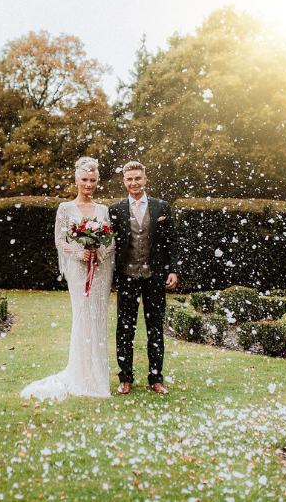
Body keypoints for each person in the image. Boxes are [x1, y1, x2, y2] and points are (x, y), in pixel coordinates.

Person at [20, 157, 115, 401]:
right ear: (76, 179)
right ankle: (81, 375)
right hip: (77, 269)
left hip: (100, 270)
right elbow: (60, 241)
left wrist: (97, 252)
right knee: (83, 316)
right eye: (84, 179)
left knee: (99, 317)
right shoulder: (65, 208)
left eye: (93, 180)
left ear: (97, 181)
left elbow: (111, 241)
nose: (88, 184)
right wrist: (80, 251)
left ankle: (97, 378)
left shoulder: (103, 210)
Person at [109, 161, 180, 396]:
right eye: (129, 179)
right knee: (125, 328)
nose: (134, 183)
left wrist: (173, 269)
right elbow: (111, 245)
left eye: (138, 178)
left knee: (155, 328)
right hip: (127, 276)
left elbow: (172, 241)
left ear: (145, 179)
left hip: (154, 277)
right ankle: (125, 377)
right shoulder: (116, 209)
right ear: (124, 182)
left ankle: (156, 378)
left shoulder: (161, 207)